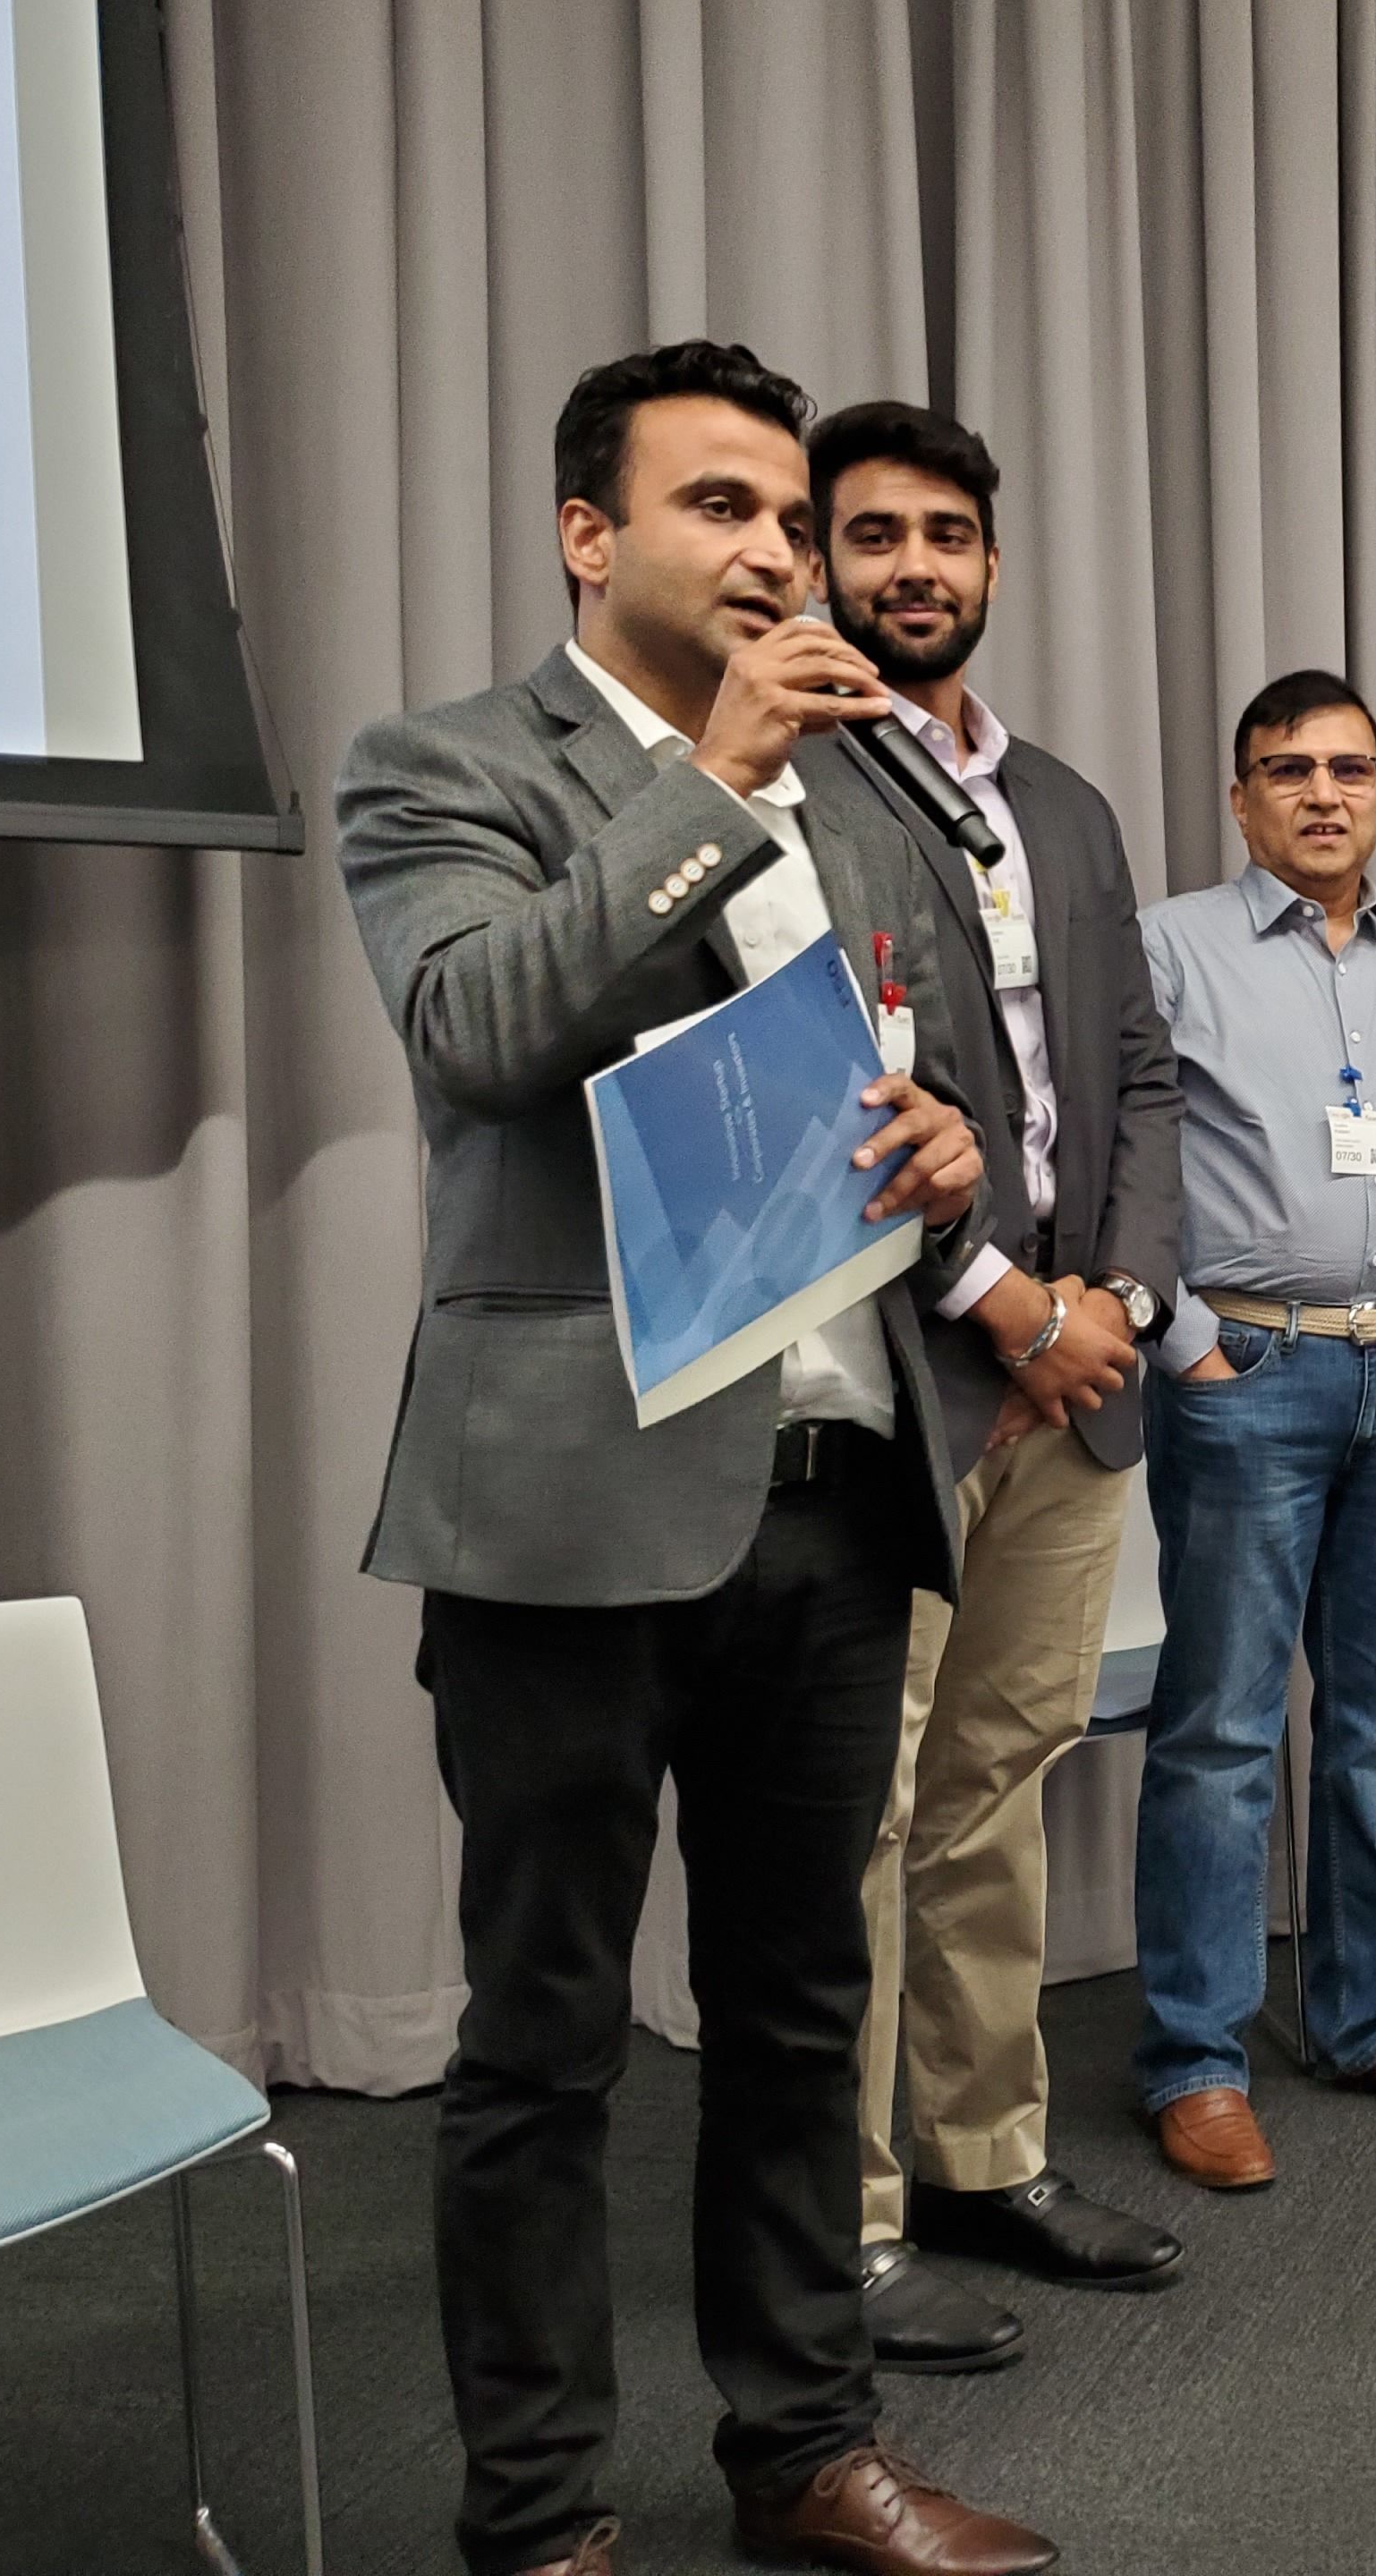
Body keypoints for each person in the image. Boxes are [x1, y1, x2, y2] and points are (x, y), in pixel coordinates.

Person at [335, 342, 1056, 2576]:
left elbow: (938, 1080)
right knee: (544, 2039)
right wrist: (715, 776)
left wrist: (953, 1158)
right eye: (721, 509)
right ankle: (539, 2518)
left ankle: (805, 2451)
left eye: (789, 517)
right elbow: (478, 1027)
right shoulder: (447, 766)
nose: (776, 552)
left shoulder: (869, 792)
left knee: (799, 2012)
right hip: (570, 1512)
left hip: (832, 1492)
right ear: (590, 534)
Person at [803, 400, 1191, 2372]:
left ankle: (984, 2160)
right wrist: (1008, 1311)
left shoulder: (1068, 804)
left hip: (1078, 1377)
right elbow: (829, 1099)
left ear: (993, 562)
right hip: (912, 1377)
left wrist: (1112, 1299)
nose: (914, 568)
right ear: (817, 560)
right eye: (874, 535)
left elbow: (1134, 1075)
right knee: (862, 1816)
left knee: (997, 1786)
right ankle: (848, 2228)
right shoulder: (792, 786)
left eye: (945, 535)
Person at [1130, 668, 1376, 2189]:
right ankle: (1195, 2057)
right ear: (1239, 798)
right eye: (1289, 769)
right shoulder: (1171, 949)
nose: (1322, 794)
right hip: (1249, 1376)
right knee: (1222, 1731)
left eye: (1349, 769)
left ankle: (1374, 2015)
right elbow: (1120, 1161)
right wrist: (1183, 1340)